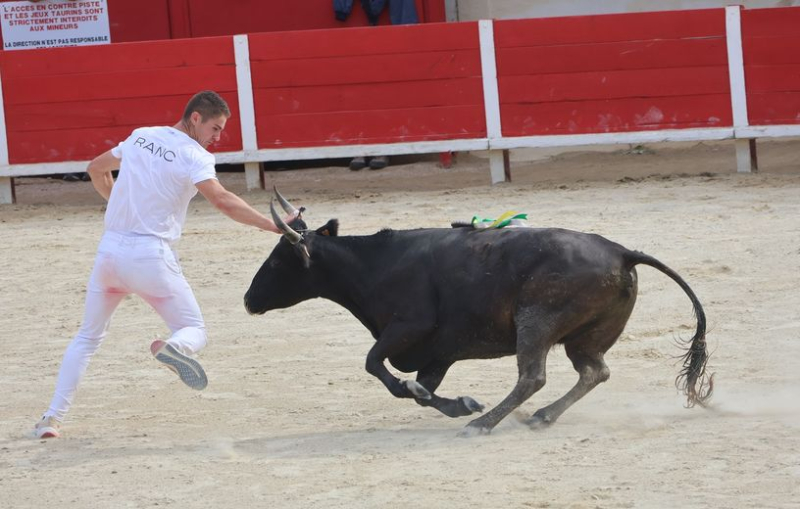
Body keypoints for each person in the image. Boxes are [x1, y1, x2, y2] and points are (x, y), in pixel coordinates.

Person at [34, 90, 298, 439]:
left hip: (109, 253)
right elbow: (221, 200)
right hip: (149, 257)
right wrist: (276, 226)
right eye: (215, 128)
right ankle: (177, 348)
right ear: (195, 119)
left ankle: (51, 419)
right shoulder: (195, 156)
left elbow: (96, 169)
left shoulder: (142, 135)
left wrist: (120, 203)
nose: (218, 137)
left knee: (87, 337)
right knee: (194, 329)